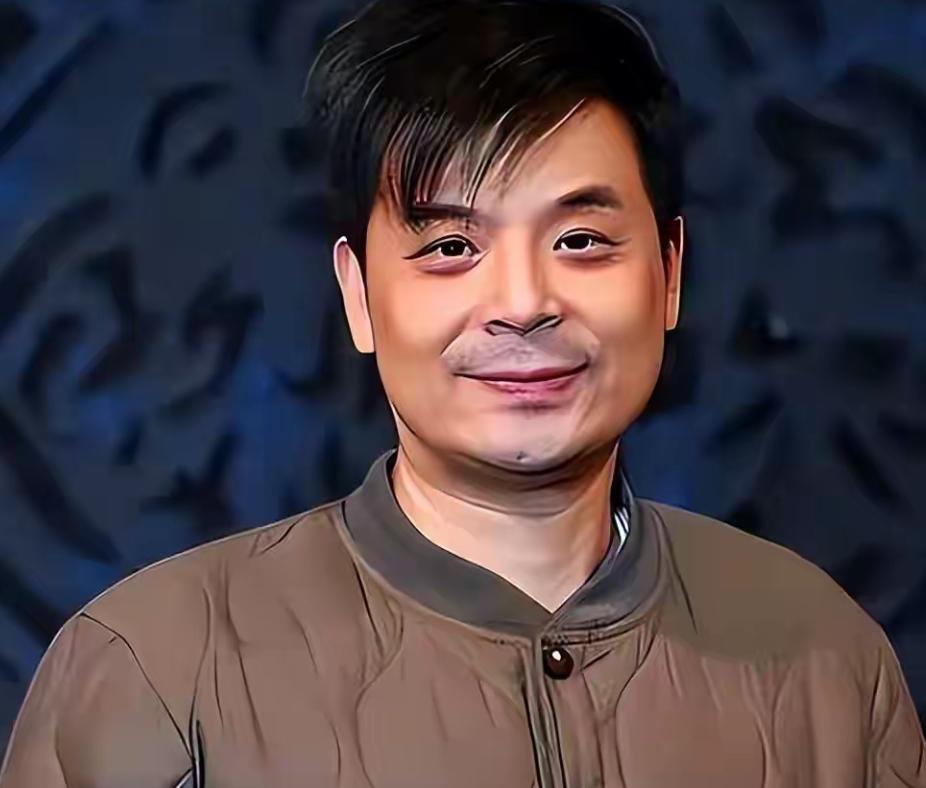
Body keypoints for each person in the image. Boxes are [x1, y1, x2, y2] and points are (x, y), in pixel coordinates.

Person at [2, 0, 924, 784]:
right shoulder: (155, 671)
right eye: (451, 247)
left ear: (671, 272)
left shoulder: (827, 657)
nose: (522, 304)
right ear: (358, 295)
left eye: (580, 241)